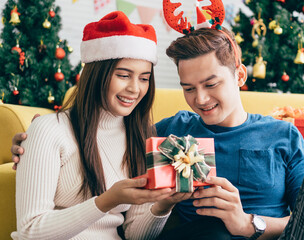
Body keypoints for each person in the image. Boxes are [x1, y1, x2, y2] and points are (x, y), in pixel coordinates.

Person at [11, 19, 304, 240]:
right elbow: (100, 137)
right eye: (189, 88)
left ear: (239, 75)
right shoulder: (162, 133)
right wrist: (32, 141)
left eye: (211, 84)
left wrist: (249, 224)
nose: (201, 99)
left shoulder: (283, 135)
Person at [10, 11, 193, 240]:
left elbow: (135, 235)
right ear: (97, 74)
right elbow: (29, 231)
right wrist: (107, 201)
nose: (135, 89)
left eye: (144, 78)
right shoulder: (49, 130)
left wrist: (163, 205)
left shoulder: (141, 136)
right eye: (124, 75)